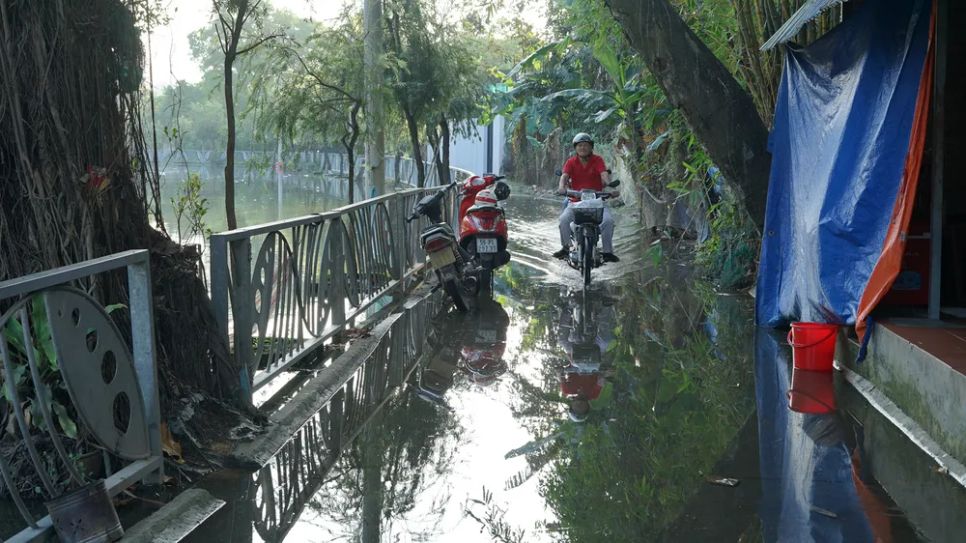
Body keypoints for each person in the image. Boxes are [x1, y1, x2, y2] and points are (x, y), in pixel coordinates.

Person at [552, 133, 619, 262]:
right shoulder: (571, 162)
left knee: (608, 222)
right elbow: (564, 176)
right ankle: (566, 248)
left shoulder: (598, 160)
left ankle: (607, 252)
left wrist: (609, 185)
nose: (583, 148)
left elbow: (603, 174)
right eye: (580, 145)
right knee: (563, 220)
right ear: (576, 148)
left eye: (586, 145)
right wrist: (561, 187)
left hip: (597, 202)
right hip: (576, 202)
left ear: (591, 147)